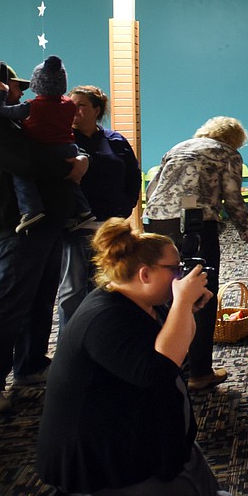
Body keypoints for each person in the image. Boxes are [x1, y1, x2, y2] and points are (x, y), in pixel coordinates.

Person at [6, 218, 231, 496]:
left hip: (115, 424)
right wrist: (182, 305)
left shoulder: (130, 300)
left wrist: (182, 308)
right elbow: (159, 370)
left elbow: (168, 350)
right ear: (144, 274)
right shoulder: (104, 318)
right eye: (174, 269)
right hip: (91, 449)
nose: (180, 276)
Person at [0, 59, 90, 416]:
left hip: (43, 223)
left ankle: (29, 365)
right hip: (13, 226)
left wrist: (80, 157)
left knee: (40, 296)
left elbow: (52, 144)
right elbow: (29, 162)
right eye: (14, 85)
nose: (20, 91)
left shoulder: (8, 121)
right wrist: (74, 163)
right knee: (11, 303)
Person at [143, 116, 248, 390]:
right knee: (200, 292)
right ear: (235, 138)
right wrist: (247, 231)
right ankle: (199, 371)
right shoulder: (228, 153)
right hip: (195, 224)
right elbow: (232, 197)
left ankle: (169, 365)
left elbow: (152, 187)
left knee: (165, 292)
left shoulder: (179, 147)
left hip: (157, 221)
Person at [56, 85, 141, 332]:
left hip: (111, 224)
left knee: (109, 284)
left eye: (81, 105)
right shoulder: (63, 140)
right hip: (76, 226)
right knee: (72, 290)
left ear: (97, 109)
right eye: (71, 105)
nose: (75, 111)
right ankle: (70, 347)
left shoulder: (114, 140)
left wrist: (126, 206)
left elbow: (132, 176)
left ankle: (103, 340)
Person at [0, 55, 95, 232]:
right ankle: (84, 211)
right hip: (69, 148)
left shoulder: (30, 106)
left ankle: (31, 210)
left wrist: (1, 92)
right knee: (71, 179)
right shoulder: (68, 104)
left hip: (44, 149)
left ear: (36, 84)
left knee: (21, 174)